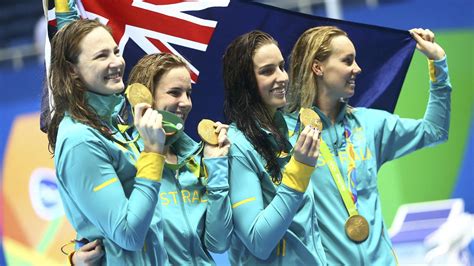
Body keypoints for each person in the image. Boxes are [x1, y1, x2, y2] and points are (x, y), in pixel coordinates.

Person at [285, 26, 451, 264]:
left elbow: (435, 131)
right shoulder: (288, 135)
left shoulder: (371, 124)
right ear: (318, 67)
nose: (357, 68)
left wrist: (438, 63)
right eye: (347, 61)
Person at [71, 52, 233, 265]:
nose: (186, 103)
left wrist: (216, 167)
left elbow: (218, 243)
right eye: (175, 93)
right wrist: (77, 259)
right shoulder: (124, 160)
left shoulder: (197, 158)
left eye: (188, 93)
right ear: (144, 98)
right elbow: (101, 230)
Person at [47, 19, 168, 265]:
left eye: (115, 51)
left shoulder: (113, 125)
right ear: (72, 70)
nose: (116, 62)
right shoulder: (79, 140)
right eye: (101, 56)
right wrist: (153, 152)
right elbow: (128, 233)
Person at [222, 30, 327, 265]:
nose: (282, 77)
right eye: (267, 71)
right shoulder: (237, 147)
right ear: (245, 81)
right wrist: (298, 172)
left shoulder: (288, 132)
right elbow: (258, 240)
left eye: (281, 66)